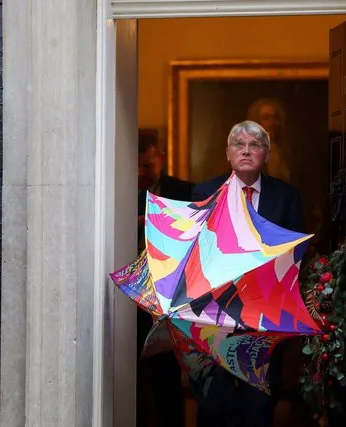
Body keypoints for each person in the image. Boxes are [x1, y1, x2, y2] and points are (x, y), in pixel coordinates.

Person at [191, 120, 304, 427]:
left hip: (263, 318)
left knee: (259, 408)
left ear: (265, 154)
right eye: (239, 145)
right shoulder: (205, 192)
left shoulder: (285, 197)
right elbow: (193, 255)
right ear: (228, 154)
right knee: (214, 407)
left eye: (254, 146)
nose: (246, 151)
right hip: (214, 317)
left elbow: (296, 255)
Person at [136, 129, 192, 427]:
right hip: (133, 296)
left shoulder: (185, 191)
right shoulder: (121, 191)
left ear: (159, 157)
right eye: (138, 166)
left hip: (172, 296)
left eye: (148, 165)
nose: (143, 171)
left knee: (168, 377)